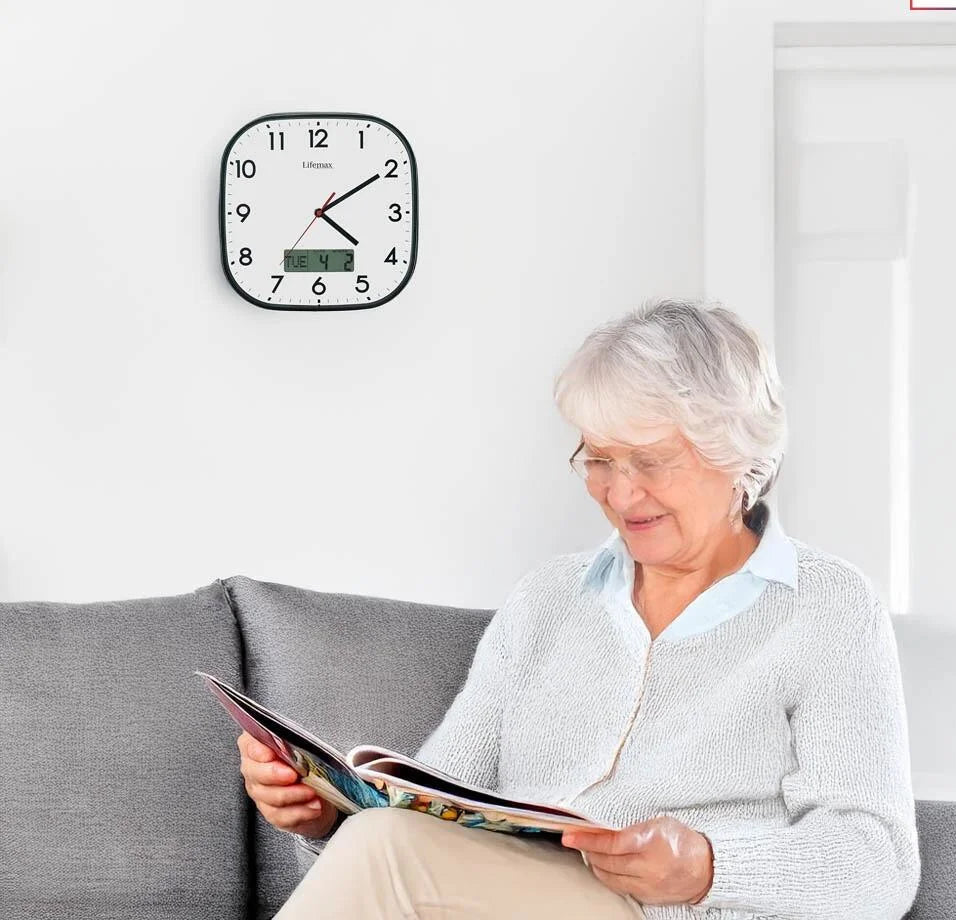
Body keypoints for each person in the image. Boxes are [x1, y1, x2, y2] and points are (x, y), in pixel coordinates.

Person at [239, 297, 921, 920]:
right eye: (598, 458)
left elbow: (879, 863)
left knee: (388, 850)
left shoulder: (827, 608)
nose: (621, 495)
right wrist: (327, 819)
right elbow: (429, 812)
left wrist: (709, 868)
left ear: (737, 456)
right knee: (386, 839)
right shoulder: (548, 601)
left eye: (650, 461)